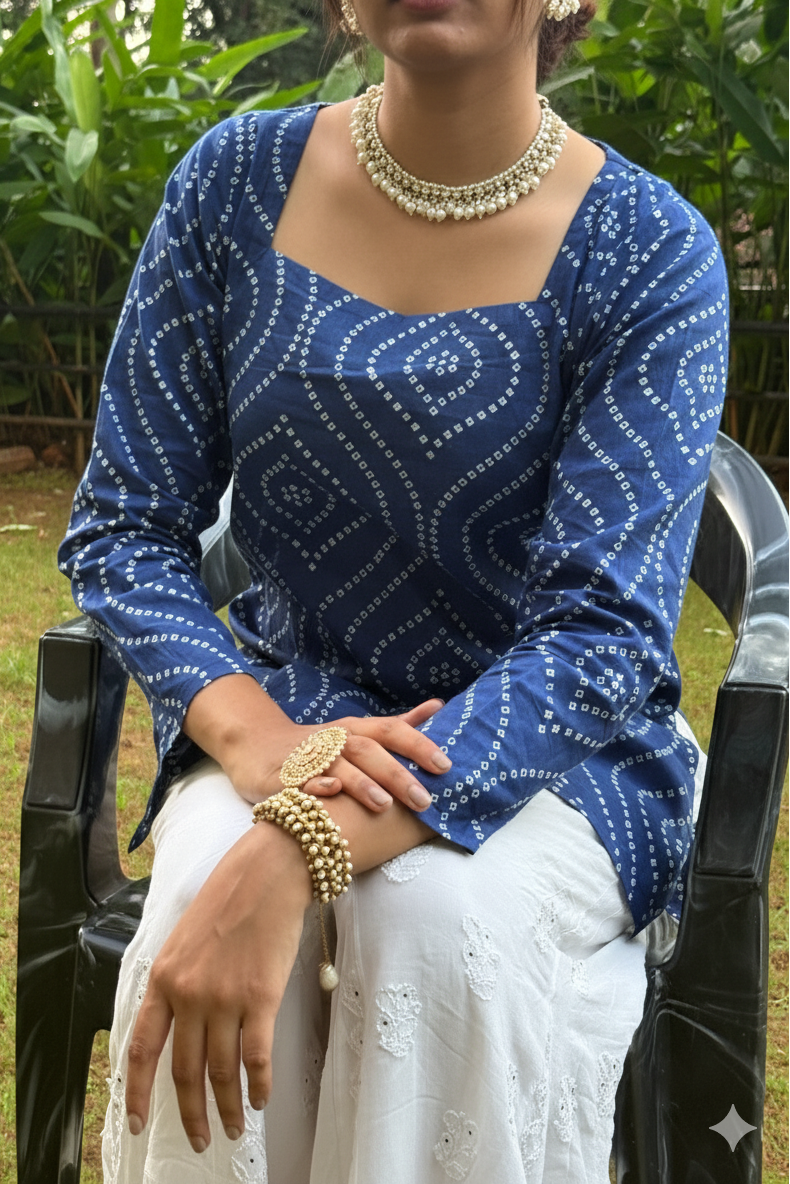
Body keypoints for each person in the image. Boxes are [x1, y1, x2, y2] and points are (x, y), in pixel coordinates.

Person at [58, 0, 728, 1180]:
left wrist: (299, 838)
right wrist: (261, 742)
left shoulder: (647, 249)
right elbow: (124, 526)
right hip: (290, 701)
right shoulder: (232, 185)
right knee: (197, 896)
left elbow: (602, 633)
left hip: (559, 753)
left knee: (431, 924)